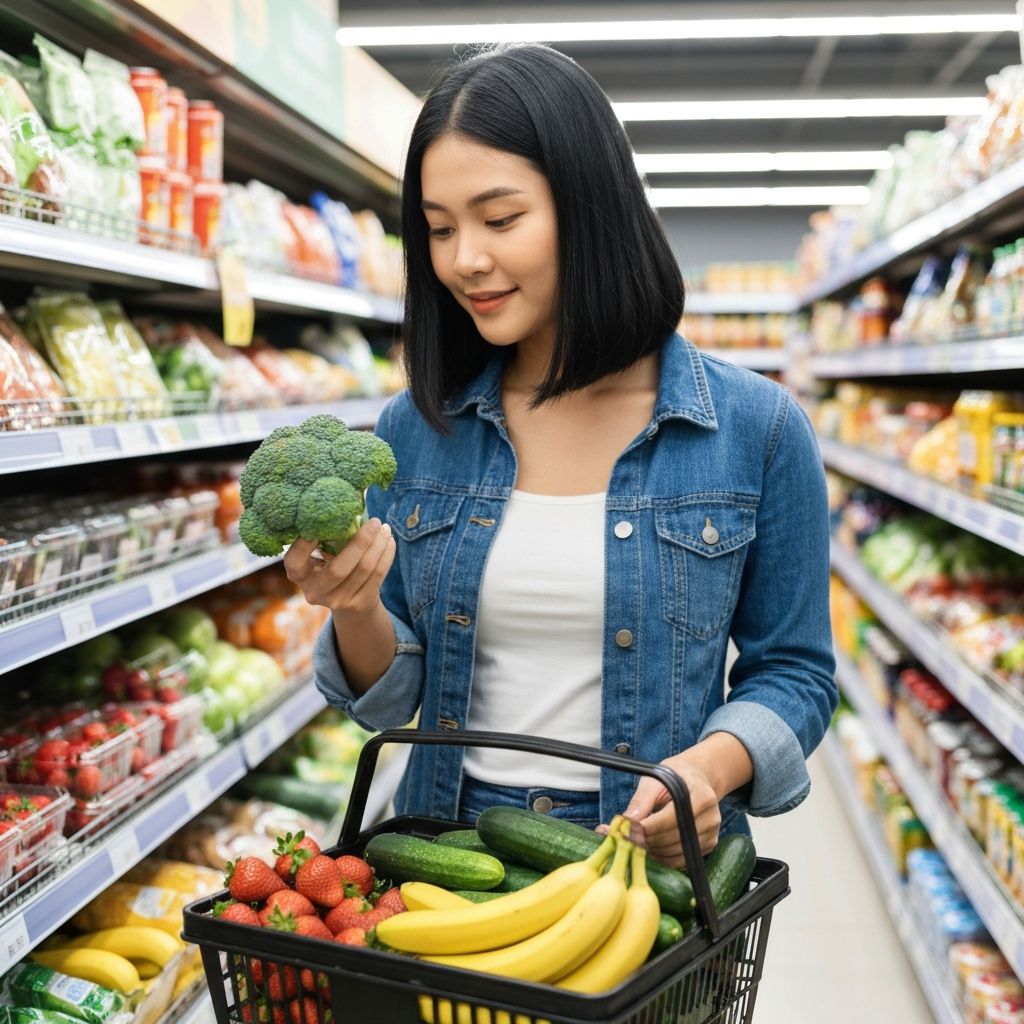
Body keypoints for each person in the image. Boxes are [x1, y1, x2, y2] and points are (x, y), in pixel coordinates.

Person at [288, 43, 837, 868]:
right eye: (439, 229)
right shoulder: (416, 427)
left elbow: (794, 672)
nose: (464, 259)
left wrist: (710, 770)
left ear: (589, 206)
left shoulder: (754, 428)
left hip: (653, 866)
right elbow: (392, 699)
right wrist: (355, 606)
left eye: (499, 219)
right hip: (446, 855)